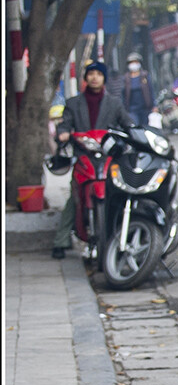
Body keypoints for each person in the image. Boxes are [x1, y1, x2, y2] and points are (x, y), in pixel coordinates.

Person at [51, 61, 134, 259]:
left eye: (99, 74)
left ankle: (124, 235)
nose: (94, 77)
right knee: (75, 198)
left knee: (120, 194)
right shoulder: (73, 103)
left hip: (108, 156)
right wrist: (63, 133)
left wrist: (132, 133)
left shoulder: (114, 103)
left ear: (104, 78)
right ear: (85, 78)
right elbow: (65, 125)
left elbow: (127, 123)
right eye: (91, 74)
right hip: (83, 157)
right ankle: (60, 241)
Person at [119, 52, 154, 126]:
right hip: (132, 109)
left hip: (145, 108)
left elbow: (151, 90)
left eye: (135, 62)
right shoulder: (126, 78)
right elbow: (123, 94)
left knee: (145, 126)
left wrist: (154, 105)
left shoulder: (145, 75)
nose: (133, 64)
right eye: (131, 62)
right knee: (135, 125)